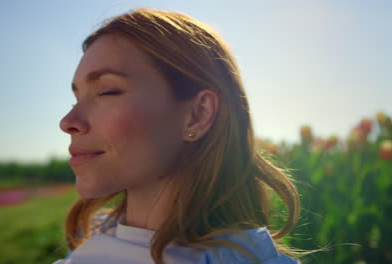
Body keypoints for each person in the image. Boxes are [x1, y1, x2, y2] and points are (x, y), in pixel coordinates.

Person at [55, 8, 301, 264]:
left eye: (107, 91)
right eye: (77, 97)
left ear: (198, 114)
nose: (68, 122)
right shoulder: (94, 235)